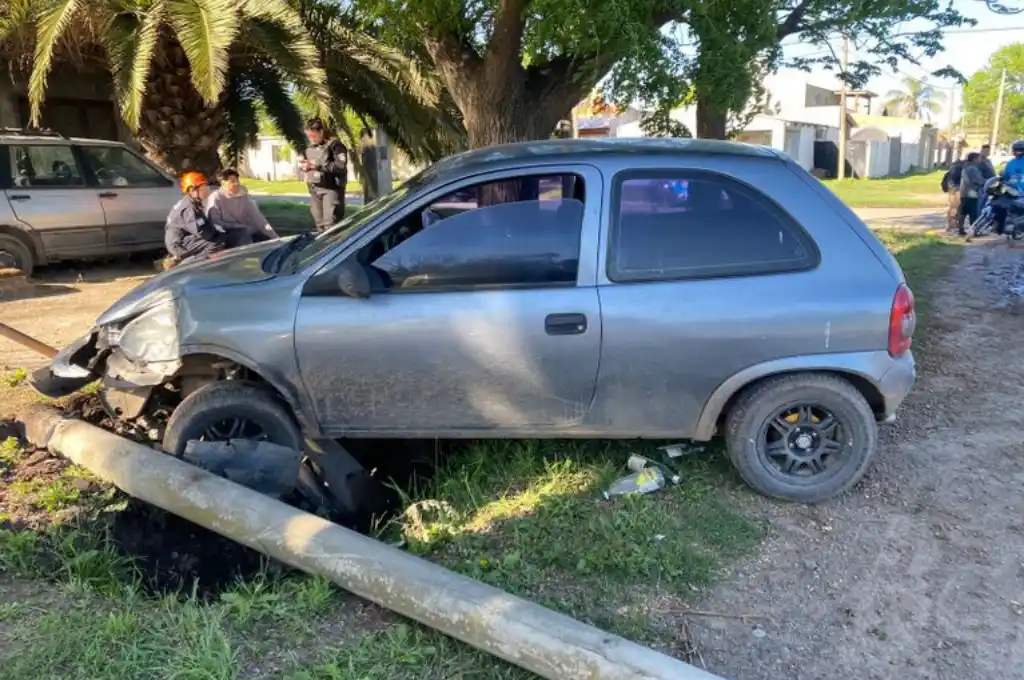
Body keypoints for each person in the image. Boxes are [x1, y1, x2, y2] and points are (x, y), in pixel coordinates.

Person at [164, 171, 251, 264]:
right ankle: (185, 264)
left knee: (224, 238)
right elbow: (202, 232)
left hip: (188, 238)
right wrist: (219, 234)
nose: (207, 189)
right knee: (216, 244)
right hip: (180, 243)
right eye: (203, 187)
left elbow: (204, 225)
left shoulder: (195, 202)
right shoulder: (189, 209)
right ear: (193, 190)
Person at [299, 118, 348, 231]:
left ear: (321, 131)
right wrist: (303, 165)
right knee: (319, 224)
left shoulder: (335, 146)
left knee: (330, 225)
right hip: (315, 188)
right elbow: (307, 161)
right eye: (309, 137)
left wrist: (318, 166)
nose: (312, 139)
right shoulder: (310, 147)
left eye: (314, 136)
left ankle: (335, 247)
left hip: (331, 189)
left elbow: (341, 166)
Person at [206, 168, 279, 243]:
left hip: (247, 230)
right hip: (226, 234)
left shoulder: (244, 196)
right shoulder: (216, 197)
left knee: (266, 239)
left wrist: (276, 238)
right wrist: (235, 226)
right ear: (223, 183)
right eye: (232, 181)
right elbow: (215, 222)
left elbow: (258, 218)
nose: (236, 183)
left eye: (237, 180)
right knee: (244, 235)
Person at [958, 152, 985, 236]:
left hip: (964, 193)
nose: (980, 160)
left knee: (963, 212)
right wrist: (989, 181)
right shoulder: (973, 169)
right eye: (979, 158)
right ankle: (974, 231)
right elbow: (979, 180)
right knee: (973, 213)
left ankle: (961, 229)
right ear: (974, 159)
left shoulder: (966, 167)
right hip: (972, 193)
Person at [942, 156, 964, 232]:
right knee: (955, 208)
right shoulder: (959, 168)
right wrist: (954, 189)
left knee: (952, 207)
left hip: (952, 190)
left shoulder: (954, 168)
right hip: (955, 190)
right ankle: (952, 224)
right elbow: (952, 180)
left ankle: (951, 224)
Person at [359, 127, 379, 204]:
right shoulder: (366, 149)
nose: (362, 139)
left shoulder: (370, 149)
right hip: (368, 180)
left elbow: (368, 166)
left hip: (371, 180)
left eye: (364, 136)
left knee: (371, 201)